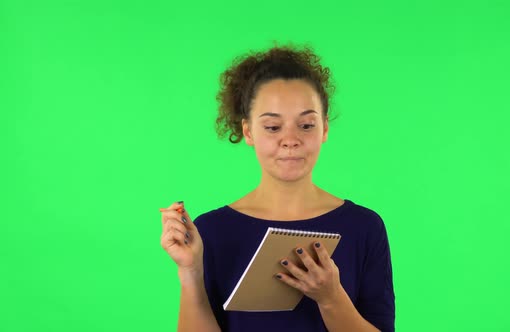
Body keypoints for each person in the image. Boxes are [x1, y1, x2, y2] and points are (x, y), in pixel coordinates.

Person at [159, 43, 395, 331]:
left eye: (306, 125)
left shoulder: (364, 227)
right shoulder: (209, 232)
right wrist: (190, 271)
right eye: (273, 127)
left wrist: (331, 298)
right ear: (248, 131)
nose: (290, 139)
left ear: (324, 130)